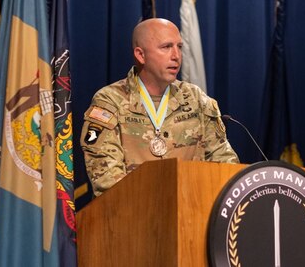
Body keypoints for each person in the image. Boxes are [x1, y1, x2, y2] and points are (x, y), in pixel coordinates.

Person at [81, 18, 239, 196]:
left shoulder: (195, 99)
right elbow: (107, 181)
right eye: (166, 47)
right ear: (141, 55)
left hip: (192, 214)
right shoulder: (110, 101)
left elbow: (225, 166)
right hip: (133, 217)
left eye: (179, 47)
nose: (176, 56)